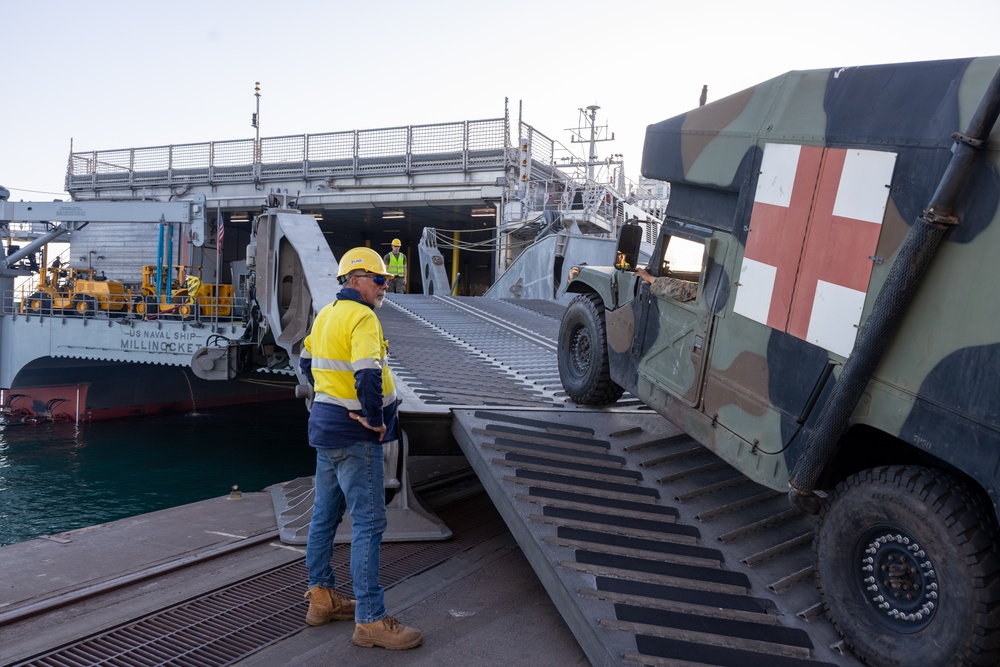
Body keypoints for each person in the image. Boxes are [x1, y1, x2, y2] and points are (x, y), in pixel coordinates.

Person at [298, 246, 423, 651]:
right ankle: (370, 621)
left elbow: (305, 365)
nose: (385, 287)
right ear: (357, 280)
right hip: (356, 437)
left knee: (324, 517)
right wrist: (373, 418)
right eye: (380, 279)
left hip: (325, 431)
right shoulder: (363, 317)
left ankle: (322, 599)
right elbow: (368, 374)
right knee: (369, 525)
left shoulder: (327, 315)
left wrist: (330, 399)